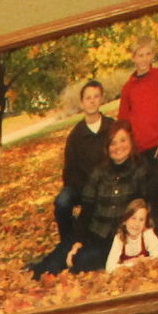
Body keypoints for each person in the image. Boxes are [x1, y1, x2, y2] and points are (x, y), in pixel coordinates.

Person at [56, 123, 151, 274]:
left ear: (131, 142)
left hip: (120, 239)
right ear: (107, 148)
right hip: (95, 233)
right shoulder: (100, 171)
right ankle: (36, 270)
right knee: (61, 253)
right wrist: (79, 241)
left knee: (79, 260)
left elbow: (147, 209)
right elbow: (87, 209)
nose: (118, 146)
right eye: (113, 143)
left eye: (123, 140)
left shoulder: (140, 169)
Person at [51, 80, 116, 244]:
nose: (92, 101)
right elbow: (69, 171)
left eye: (96, 96)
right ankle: (67, 242)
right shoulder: (75, 136)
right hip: (83, 187)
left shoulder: (112, 127)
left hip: (110, 184)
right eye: (88, 98)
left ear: (101, 99)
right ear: (82, 102)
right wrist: (86, 191)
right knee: (62, 202)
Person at [117, 37, 158, 163]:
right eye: (140, 55)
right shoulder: (128, 88)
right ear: (133, 58)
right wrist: (129, 146)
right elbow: (123, 120)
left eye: (148, 54)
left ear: (153, 55)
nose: (144, 59)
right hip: (139, 149)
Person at [104, 198, 158, 270]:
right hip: (127, 277)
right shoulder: (120, 238)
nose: (136, 224)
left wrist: (139, 261)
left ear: (145, 223)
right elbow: (109, 268)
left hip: (145, 273)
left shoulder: (147, 234)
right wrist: (133, 263)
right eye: (133, 218)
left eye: (141, 220)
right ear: (125, 221)